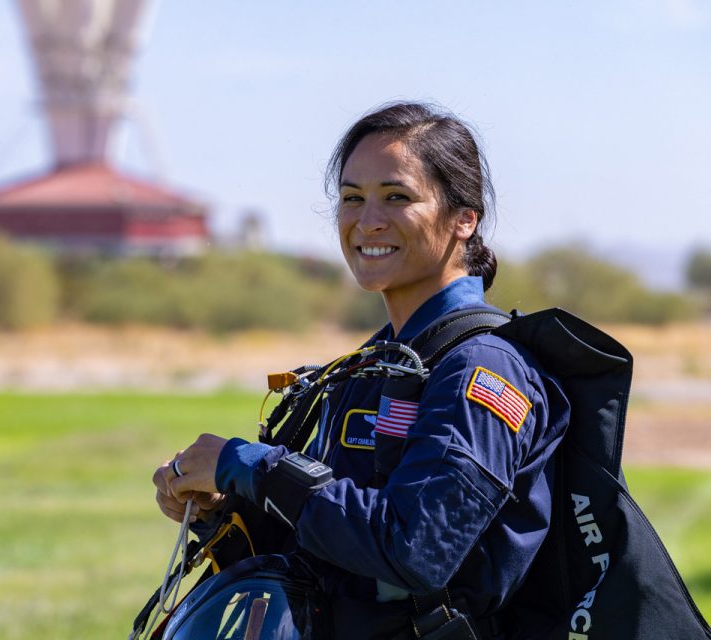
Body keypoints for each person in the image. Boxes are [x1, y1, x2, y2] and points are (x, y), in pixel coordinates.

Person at [152, 102, 570, 639]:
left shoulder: (480, 371)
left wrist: (251, 465)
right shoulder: (375, 367)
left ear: (465, 218)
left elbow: (417, 549)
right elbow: (320, 555)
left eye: (397, 197)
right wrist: (220, 508)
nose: (367, 220)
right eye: (352, 198)